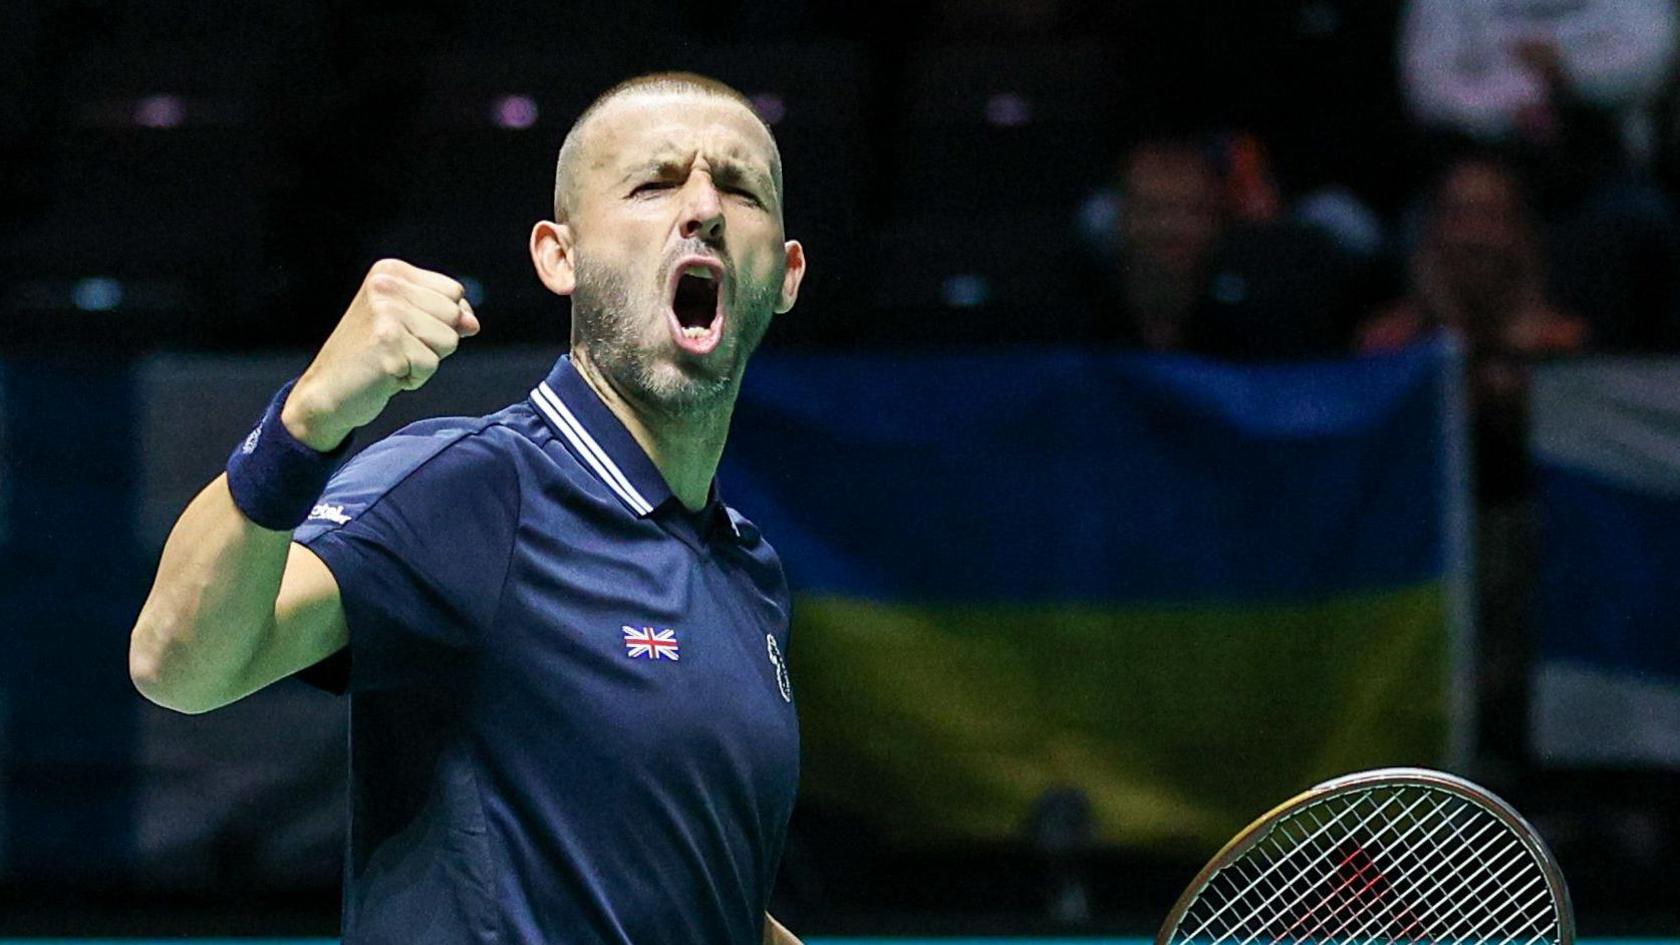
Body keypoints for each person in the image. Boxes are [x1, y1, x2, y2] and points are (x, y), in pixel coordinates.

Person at [128, 72, 808, 945]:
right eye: (654, 183)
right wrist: (306, 421)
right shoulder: (474, 487)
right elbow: (175, 661)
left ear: (786, 273)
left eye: (740, 188)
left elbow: (684, 892)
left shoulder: (747, 571)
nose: (703, 208)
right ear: (559, 255)